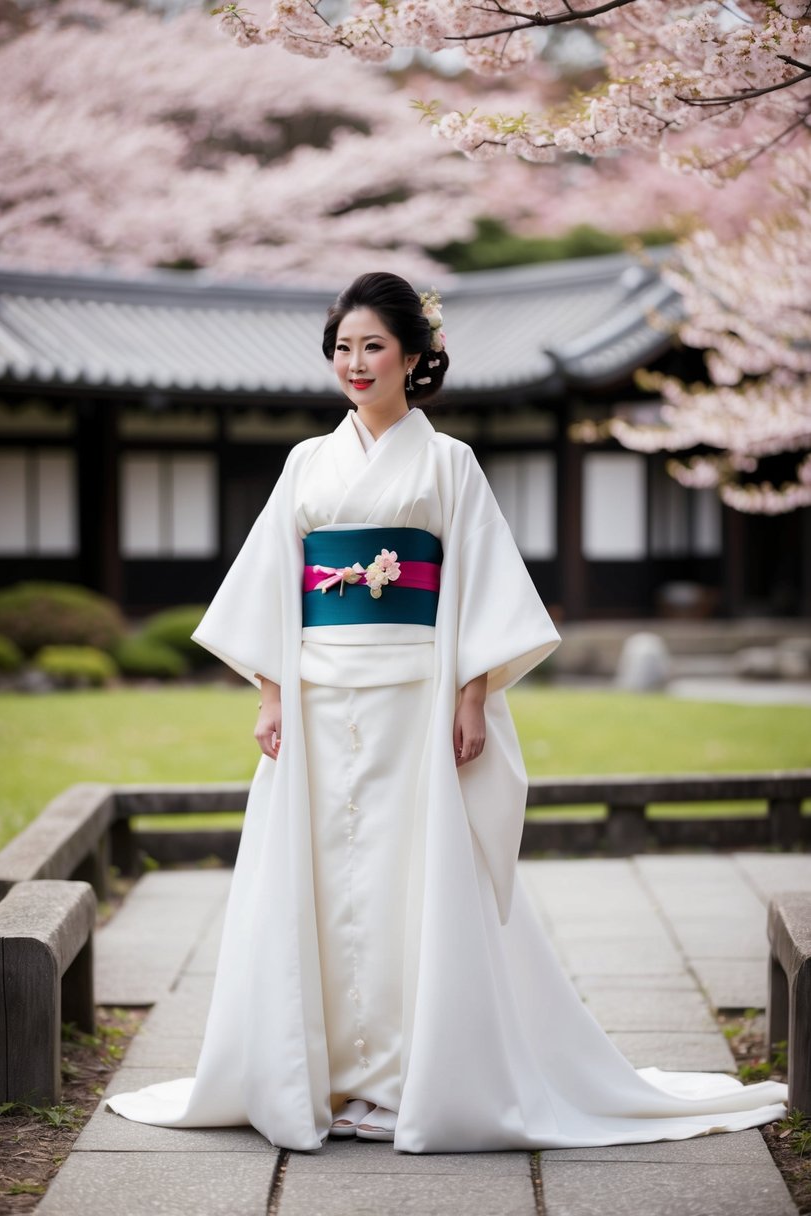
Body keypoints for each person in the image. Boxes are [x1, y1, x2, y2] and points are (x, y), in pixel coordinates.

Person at [106, 272, 787, 1152]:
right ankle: (320, 1072)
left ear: (413, 358)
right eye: (342, 348)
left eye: (372, 347)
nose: (354, 363)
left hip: (416, 697)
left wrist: (472, 695)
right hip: (317, 698)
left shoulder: (448, 462)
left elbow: (481, 584)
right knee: (315, 875)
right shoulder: (307, 463)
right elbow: (270, 582)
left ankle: (408, 1075)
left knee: (411, 877)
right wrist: (272, 693)